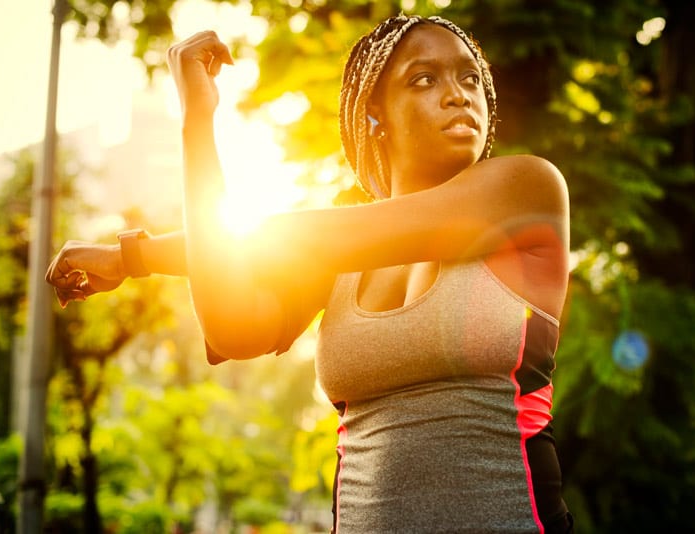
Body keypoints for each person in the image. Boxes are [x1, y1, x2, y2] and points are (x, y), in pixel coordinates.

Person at [47, 13, 573, 533]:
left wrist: (135, 257)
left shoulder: (525, 190)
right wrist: (197, 123)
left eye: (469, 77)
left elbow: (290, 236)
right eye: (424, 79)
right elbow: (231, 326)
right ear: (375, 114)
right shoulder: (339, 260)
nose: (459, 94)